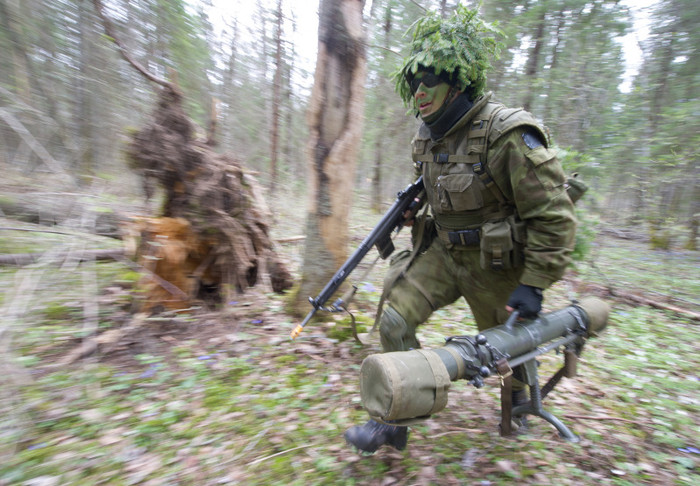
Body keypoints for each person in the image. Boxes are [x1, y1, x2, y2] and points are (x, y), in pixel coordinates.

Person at [344, 6, 577, 453]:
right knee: (394, 320)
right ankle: (394, 419)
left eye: (429, 80)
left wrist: (534, 283)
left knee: (509, 352)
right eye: (413, 84)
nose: (419, 92)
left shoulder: (507, 134)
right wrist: (413, 211)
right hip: (445, 254)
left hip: (496, 264)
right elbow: (437, 191)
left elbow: (554, 216)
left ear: (457, 81)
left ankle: (521, 406)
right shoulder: (427, 138)